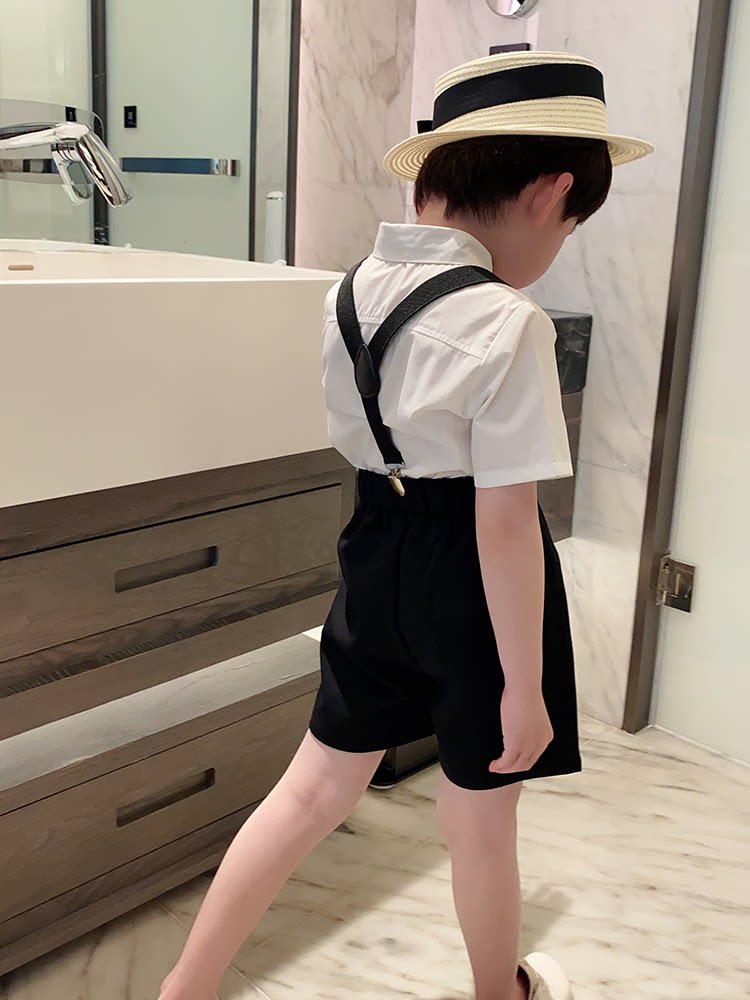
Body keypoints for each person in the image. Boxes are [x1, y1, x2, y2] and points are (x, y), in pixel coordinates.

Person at [158, 51, 652, 1000]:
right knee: (480, 816)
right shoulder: (509, 323)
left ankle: (186, 985)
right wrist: (524, 687)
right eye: (571, 226)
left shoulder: (347, 291)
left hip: (374, 544)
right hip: (470, 578)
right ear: (550, 193)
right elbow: (505, 526)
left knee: (312, 788)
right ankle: (499, 994)